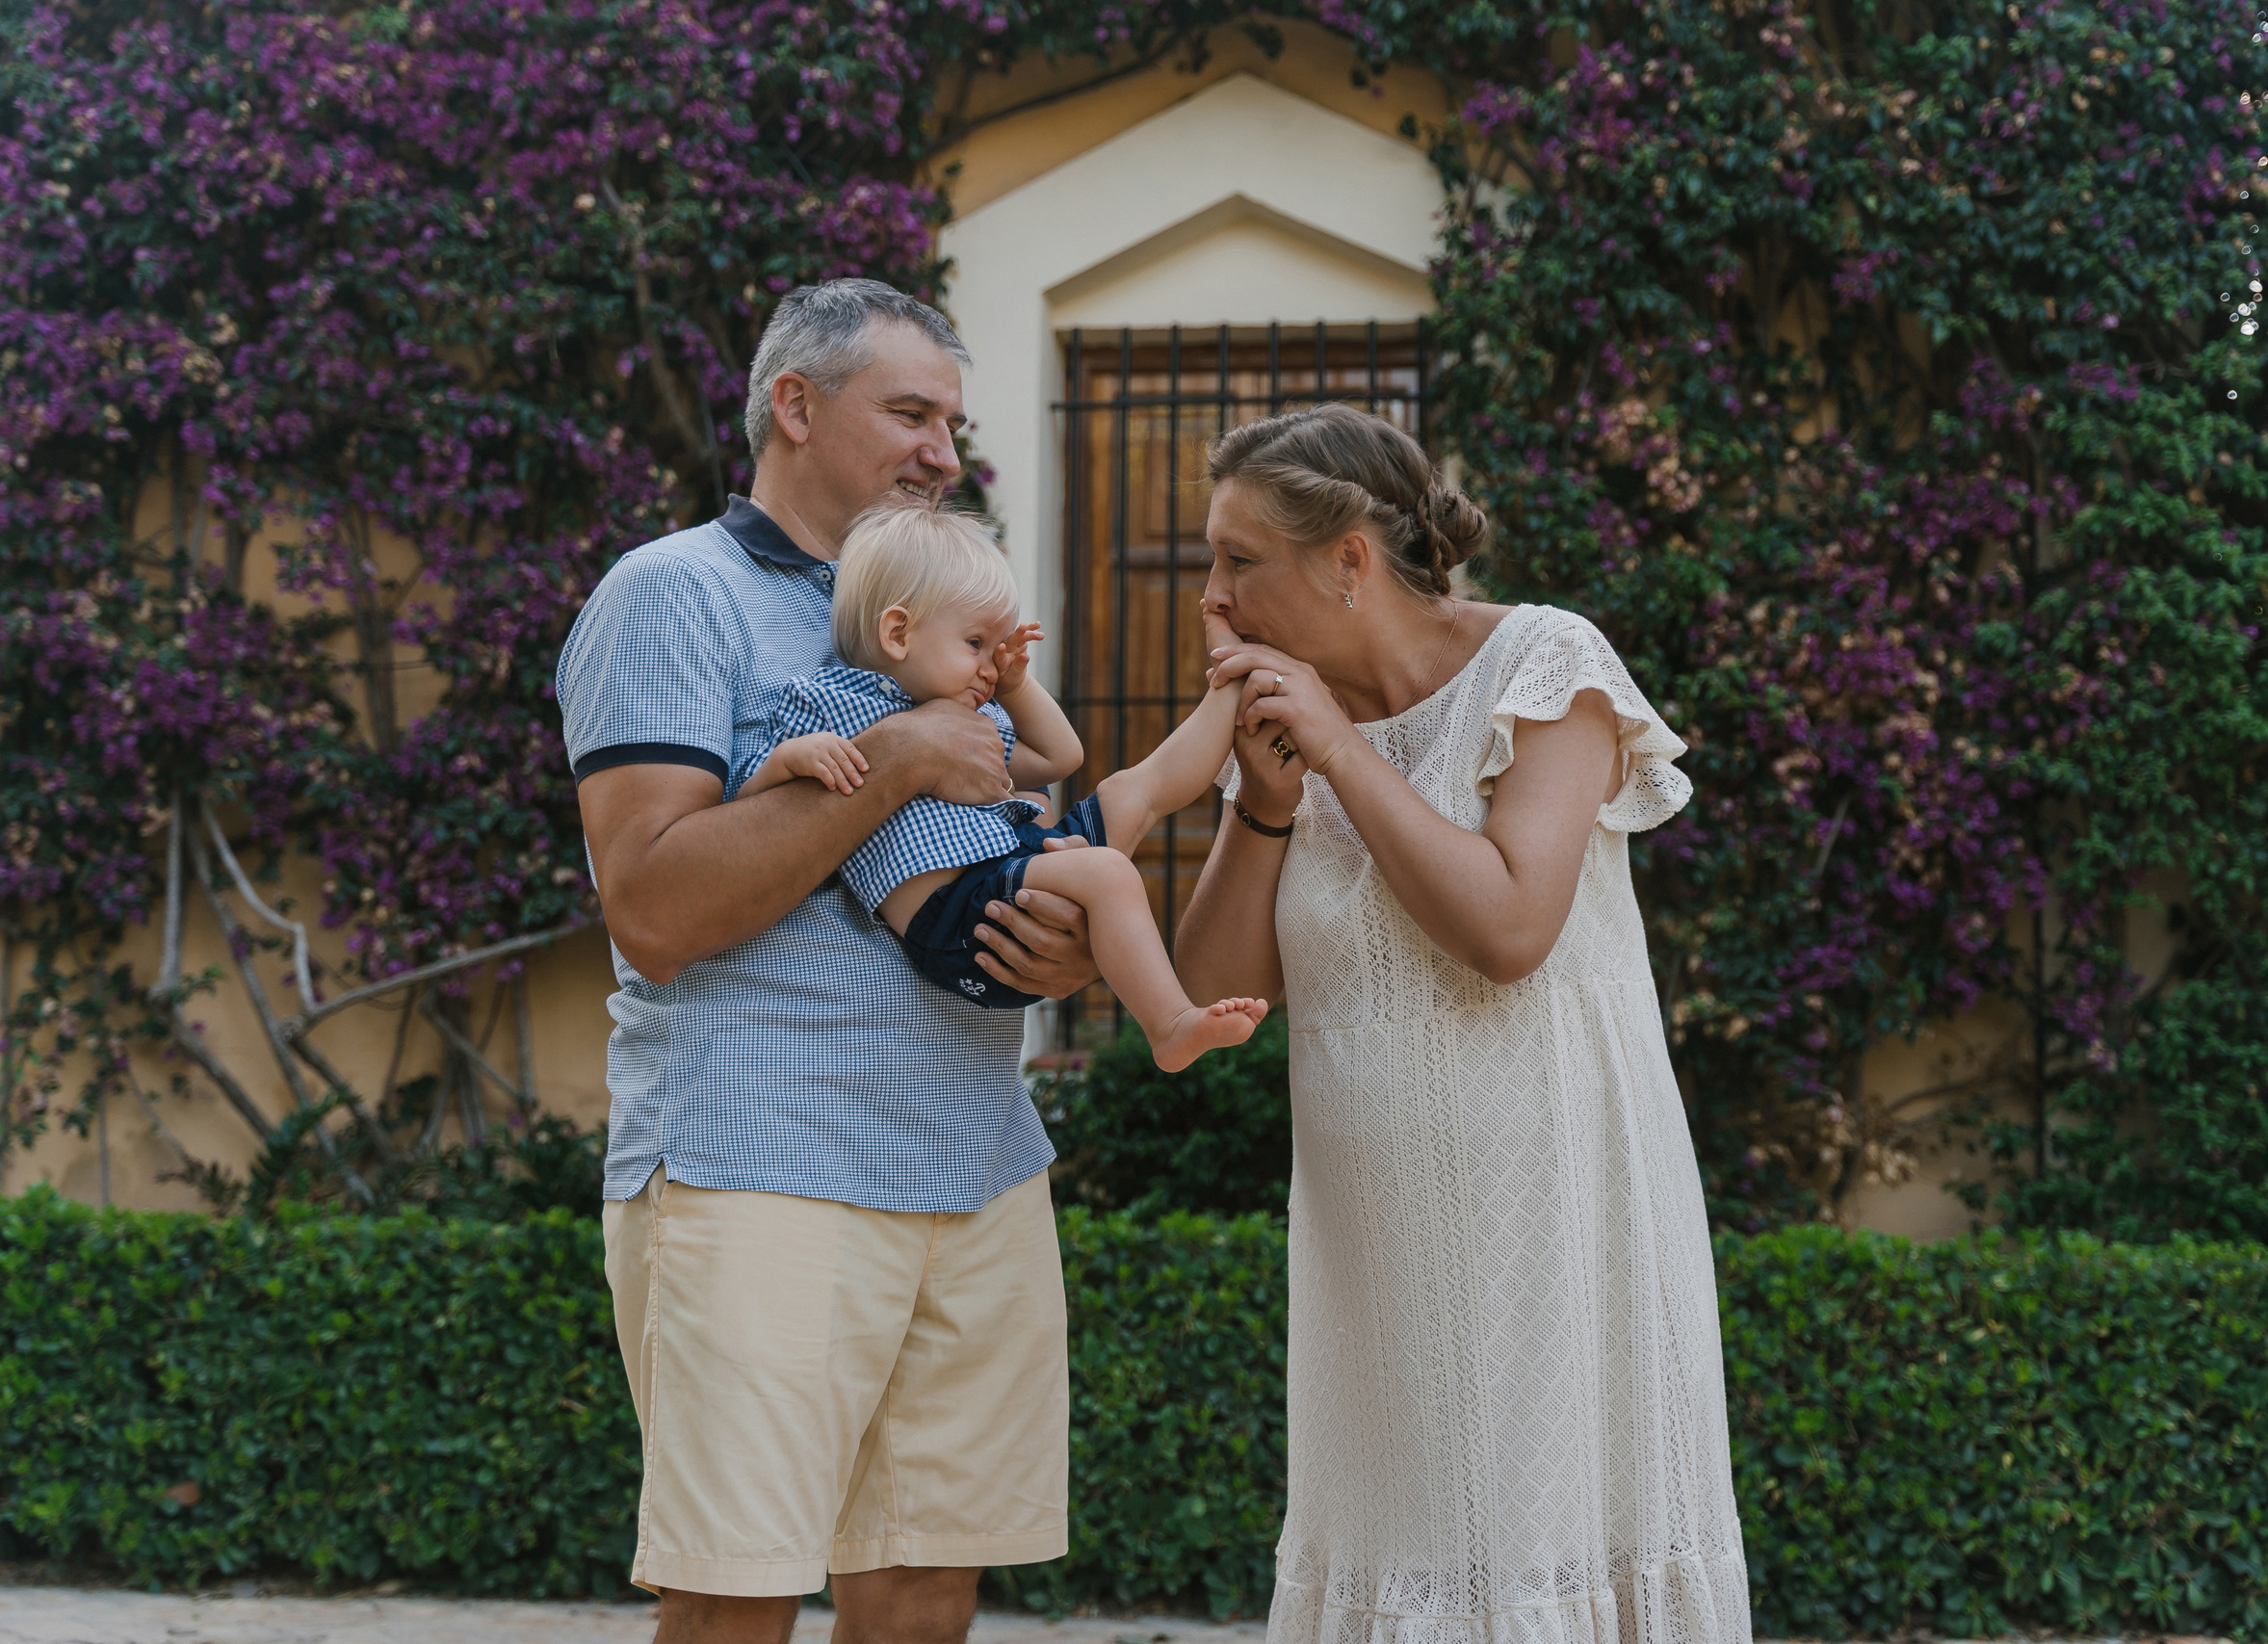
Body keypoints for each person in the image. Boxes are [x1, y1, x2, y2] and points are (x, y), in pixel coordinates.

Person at [557, 279, 1097, 1644]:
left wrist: (1050, 934)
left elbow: (1021, 823)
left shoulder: (947, 607)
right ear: (794, 405)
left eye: (954, 423)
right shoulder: (673, 594)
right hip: (758, 1162)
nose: (940, 450)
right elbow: (654, 906)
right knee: (737, 1594)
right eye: (910, 411)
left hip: (977, 1159)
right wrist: (899, 760)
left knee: (925, 1590)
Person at [1175, 404, 1752, 1644]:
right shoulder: (1289, 717)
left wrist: (1338, 753)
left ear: (1347, 560)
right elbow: (1217, 996)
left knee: (1542, 1544)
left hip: (1557, 1222)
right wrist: (1265, 806)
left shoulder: (1547, 666)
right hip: (1371, 1252)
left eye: (1236, 561)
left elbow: (1506, 931)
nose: (1211, 602)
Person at [736, 498, 1270, 1069]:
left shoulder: (969, 714)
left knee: (1129, 792)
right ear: (898, 633)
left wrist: (1014, 686)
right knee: (1107, 870)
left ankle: (1232, 680)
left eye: (997, 650)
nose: (990, 667)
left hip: (1008, 871)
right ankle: (1168, 1025)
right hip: (959, 920)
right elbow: (748, 810)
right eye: (975, 645)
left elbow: (1062, 754)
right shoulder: (828, 704)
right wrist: (788, 760)